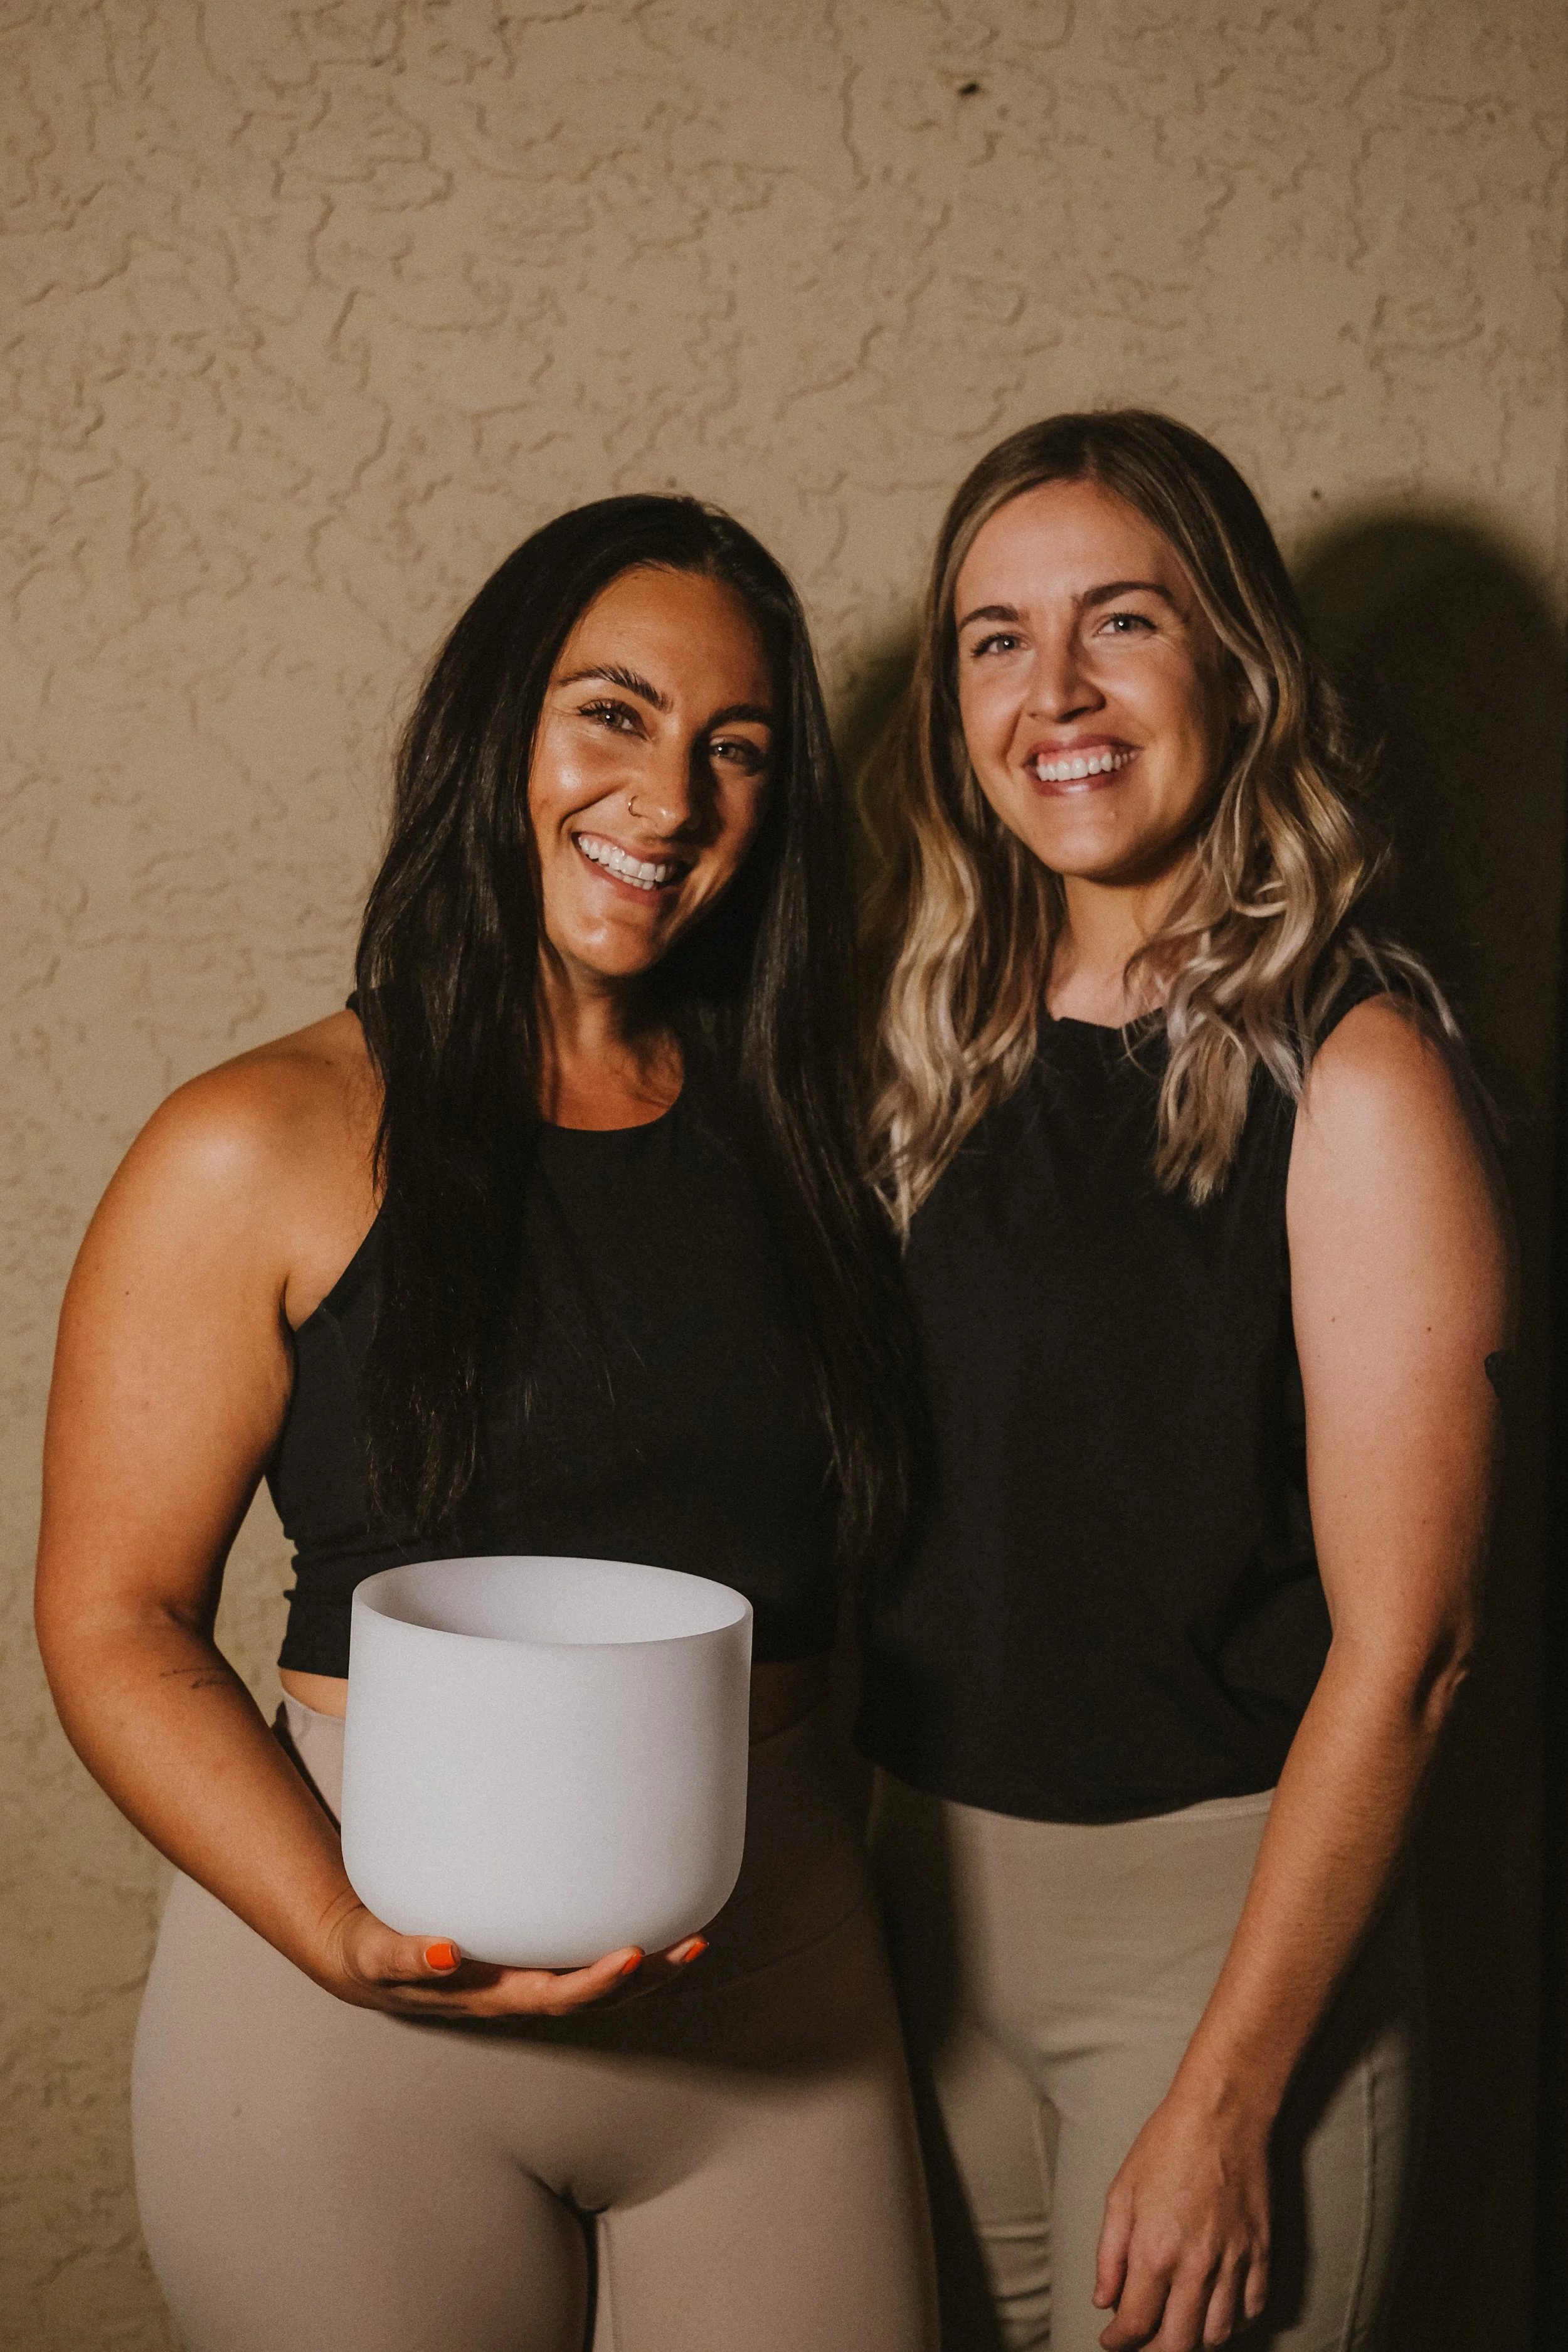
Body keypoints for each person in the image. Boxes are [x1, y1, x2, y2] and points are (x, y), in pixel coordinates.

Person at [36, 495, 937, 2352]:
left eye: (734, 750)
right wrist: (337, 1927)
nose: (668, 798)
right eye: (611, 715)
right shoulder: (256, 1140)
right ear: (493, 730)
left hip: (771, 1997)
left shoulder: (825, 1138)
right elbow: (110, 1613)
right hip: (349, 2015)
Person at [854, 412, 1508, 2352]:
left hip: (1215, 1955)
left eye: (1116, 621)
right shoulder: (922, 1049)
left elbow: (1416, 1645)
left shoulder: (1358, 1068)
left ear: (1234, 664)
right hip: (920, 1927)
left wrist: (1226, 2095)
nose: (1049, 691)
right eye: (991, 637)